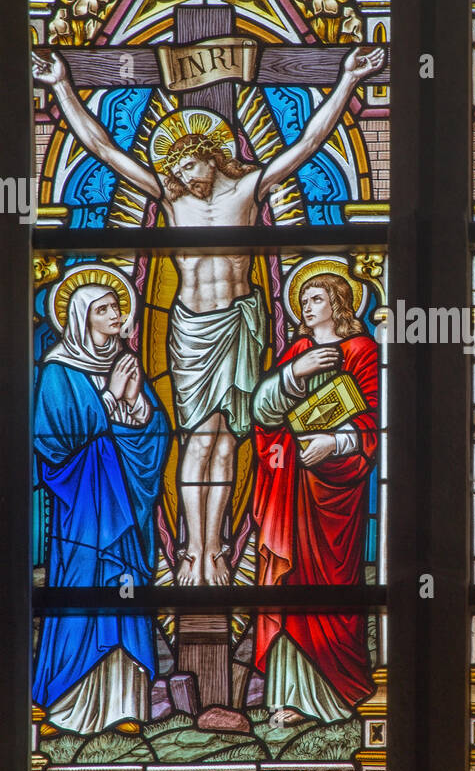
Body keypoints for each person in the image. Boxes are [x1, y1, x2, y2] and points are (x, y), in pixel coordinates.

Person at [32, 45, 384, 585]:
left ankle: (216, 546)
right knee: (197, 436)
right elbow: (103, 148)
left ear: (211, 155)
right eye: (172, 165)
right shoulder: (173, 201)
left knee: (227, 438)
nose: (178, 172)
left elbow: (309, 141)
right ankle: (192, 551)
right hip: (193, 329)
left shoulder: (249, 188)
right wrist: (60, 87)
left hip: (241, 324)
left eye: (187, 162)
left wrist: (346, 81)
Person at [33, 269, 169, 734]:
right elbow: (53, 445)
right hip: (83, 516)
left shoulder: (127, 362)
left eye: (118, 306)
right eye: (105, 308)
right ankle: (67, 701)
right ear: (80, 317)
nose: (118, 315)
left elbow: (151, 437)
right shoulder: (57, 370)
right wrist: (109, 398)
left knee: (125, 590)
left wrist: (135, 408)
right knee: (80, 591)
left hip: (125, 510)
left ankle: (125, 705)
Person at [252, 266, 378, 724]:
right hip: (292, 484)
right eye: (303, 300)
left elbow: (374, 419)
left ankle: (336, 692)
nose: (308, 306)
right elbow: (263, 413)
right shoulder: (300, 350)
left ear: (340, 302)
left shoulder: (363, 350)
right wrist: (293, 374)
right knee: (289, 583)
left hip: (337, 490)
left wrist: (335, 443)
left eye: (318, 298)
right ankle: (290, 697)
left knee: (333, 586)